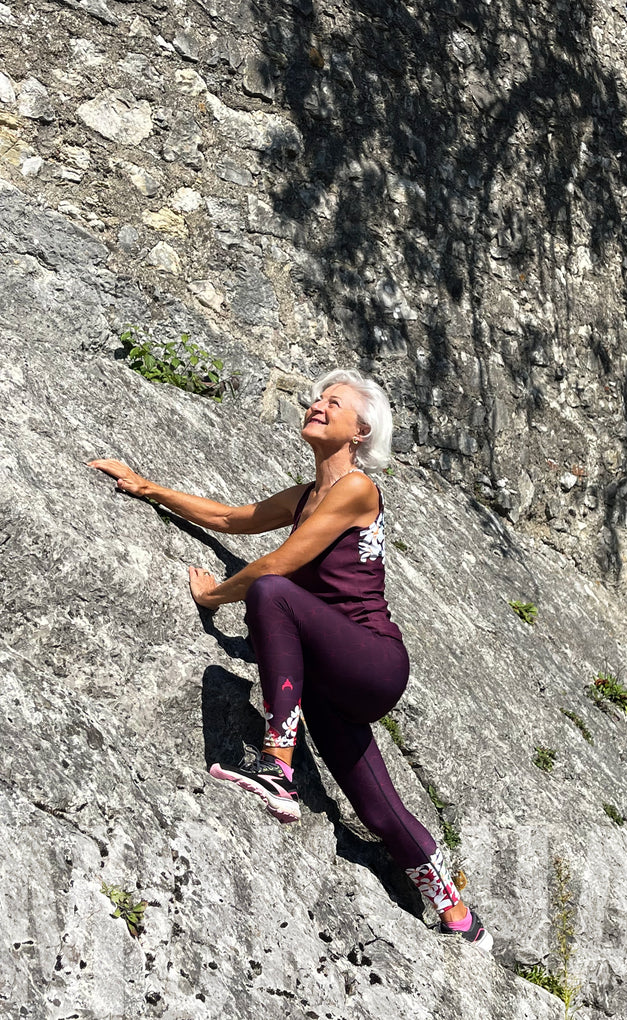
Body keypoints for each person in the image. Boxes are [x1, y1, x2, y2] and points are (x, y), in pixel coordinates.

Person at [89, 368, 492, 953]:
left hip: (372, 660)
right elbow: (231, 518)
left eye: (334, 403)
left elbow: (274, 571)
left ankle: (278, 766)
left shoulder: (357, 489)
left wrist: (214, 596)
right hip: (330, 682)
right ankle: (455, 911)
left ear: (361, 430)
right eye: (316, 399)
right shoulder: (309, 496)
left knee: (270, 591)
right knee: (377, 806)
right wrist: (145, 486)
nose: (317, 406)